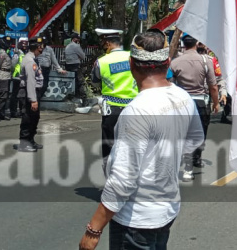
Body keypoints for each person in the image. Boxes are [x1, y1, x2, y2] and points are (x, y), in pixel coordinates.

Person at [78, 31, 204, 250]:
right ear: (168, 62)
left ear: (130, 63)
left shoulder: (137, 111)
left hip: (136, 221)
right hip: (166, 209)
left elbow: (122, 181)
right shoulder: (183, 97)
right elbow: (195, 140)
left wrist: (93, 230)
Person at [170, 35, 220, 182]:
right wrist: (216, 103)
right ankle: (191, 165)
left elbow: (170, 84)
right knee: (197, 135)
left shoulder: (175, 62)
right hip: (199, 103)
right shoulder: (206, 61)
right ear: (197, 43)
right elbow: (213, 86)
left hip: (181, 103)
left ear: (183, 44)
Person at [91, 29, 139, 168]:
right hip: (133, 108)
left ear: (107, 43)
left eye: (102, 43)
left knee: (109, 144)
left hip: (111, 109)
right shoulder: (133, 57)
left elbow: (95, 82)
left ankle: (110, 174)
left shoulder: (101, 62)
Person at [16, 37, 45, 152]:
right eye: (41, 46)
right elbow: (31, 81)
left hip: (33, 91)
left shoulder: (33, 59)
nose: (42, 48)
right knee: (28, 118)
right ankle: (24, 143)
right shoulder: (29, 61)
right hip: (29, 92)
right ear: (38, 48)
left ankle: (30, 140)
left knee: (34, 118)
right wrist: (33, 100)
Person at [0, 36, 16, 122]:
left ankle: (0, 112)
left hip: (7, 75)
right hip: (2, 76)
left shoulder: (6, 52)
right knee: (3, 96)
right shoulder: (2, 53)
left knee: (5, 95)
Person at [65, 32, 87, 104]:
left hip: (68, 66)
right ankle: (84, 100)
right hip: (75, 66)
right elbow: (83, 56)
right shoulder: (76, 46)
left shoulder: (67, 46)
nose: (79, 40)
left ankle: (72, 97)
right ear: (75, 39)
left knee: (71, 82)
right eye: (78, 39)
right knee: (80, 82)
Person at [9, 38, 28, 119]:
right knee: (15, 95)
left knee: (22, 96)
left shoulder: (27, 53)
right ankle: (13, 111)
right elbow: (13, 64)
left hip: (24, 77)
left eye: (26, 43)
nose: (24, 45)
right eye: (23, 43)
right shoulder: (17, 53)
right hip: (17, 77)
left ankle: (21, 111)